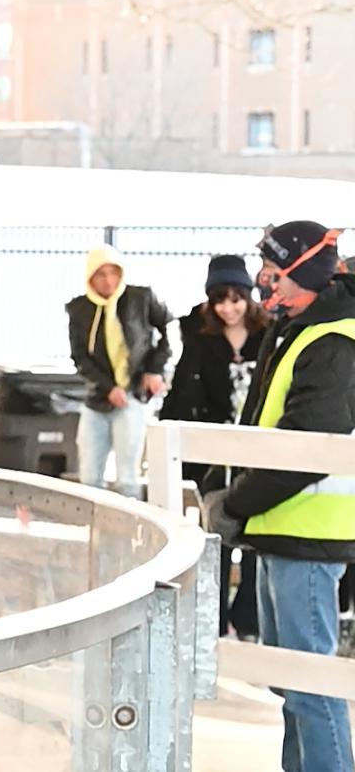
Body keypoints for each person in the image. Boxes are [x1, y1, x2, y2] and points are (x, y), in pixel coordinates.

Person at [206, 221, 354, 772]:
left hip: (309, 531)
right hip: (278, 526)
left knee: (312, 685)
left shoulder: (333, 339)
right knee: (292, 684)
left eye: (275, 271)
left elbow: (306, 445)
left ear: (304, 272)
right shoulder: (295, 326)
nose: (263, 282)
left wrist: (236, 502)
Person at [162, 254, 266, 639]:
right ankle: (215, 622)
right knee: (214, 537)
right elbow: (183, 393)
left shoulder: (268, 334)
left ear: (248, 297)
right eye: (219, 299)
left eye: (236, 298)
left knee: (258, 535)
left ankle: (249, 620)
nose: (228, 308)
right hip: (213, 453)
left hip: (259, 451)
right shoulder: (201, 339)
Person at [65, 246, 173, 498]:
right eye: (100, 274)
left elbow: (169, 330)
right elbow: (80, 357)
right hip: (97, 399)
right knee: (90, 476)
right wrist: (107, 387)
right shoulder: (79, 309)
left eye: (114, 272)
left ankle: (129, 535)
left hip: (132, 397)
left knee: (127, 477)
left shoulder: (140, 298)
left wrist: (154, 370)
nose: (108, 281)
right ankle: (93, 532)